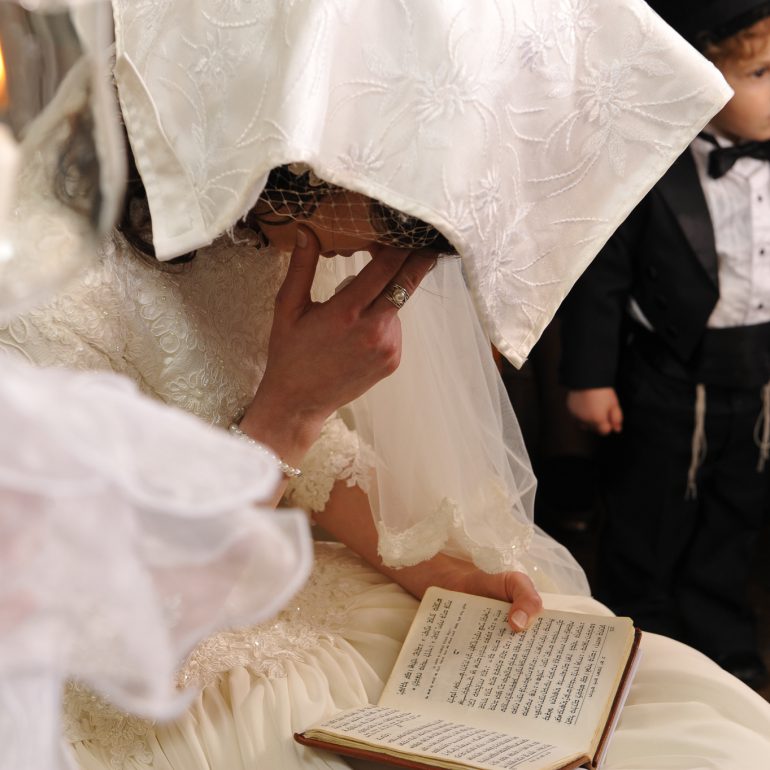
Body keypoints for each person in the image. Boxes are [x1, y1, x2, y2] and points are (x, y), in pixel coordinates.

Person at [5, 1, 770, 769]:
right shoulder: (40, 281)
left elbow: (262, 424)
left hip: (274, 593)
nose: (381, 251)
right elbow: (107, 633)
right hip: (144, 668)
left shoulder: (245, 225)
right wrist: (290, 413)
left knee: (692, 716)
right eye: (389, 212)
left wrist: (430, 569)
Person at [561, 0, 770, 690]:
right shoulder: (648, 163)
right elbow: (602, 274)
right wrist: (590, 378)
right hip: (667, 378)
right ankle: (639, 640)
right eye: (763, 72)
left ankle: (722, 641)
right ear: (699, 77)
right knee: (648, 514)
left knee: (736, 514)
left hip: (760, 381)